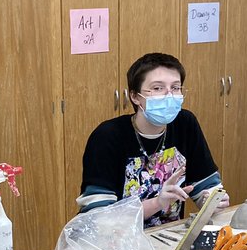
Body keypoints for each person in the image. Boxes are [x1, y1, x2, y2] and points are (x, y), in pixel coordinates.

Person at [78, 51, 228, 227]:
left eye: (175, 88)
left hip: (166, 236)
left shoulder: (185, 123)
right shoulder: (107, 136)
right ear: (134, 96)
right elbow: (98, 218)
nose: (169, 95)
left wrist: (212, 200)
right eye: (158, 88)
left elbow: (205, 185)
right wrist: (157, 203)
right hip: (116, 243)